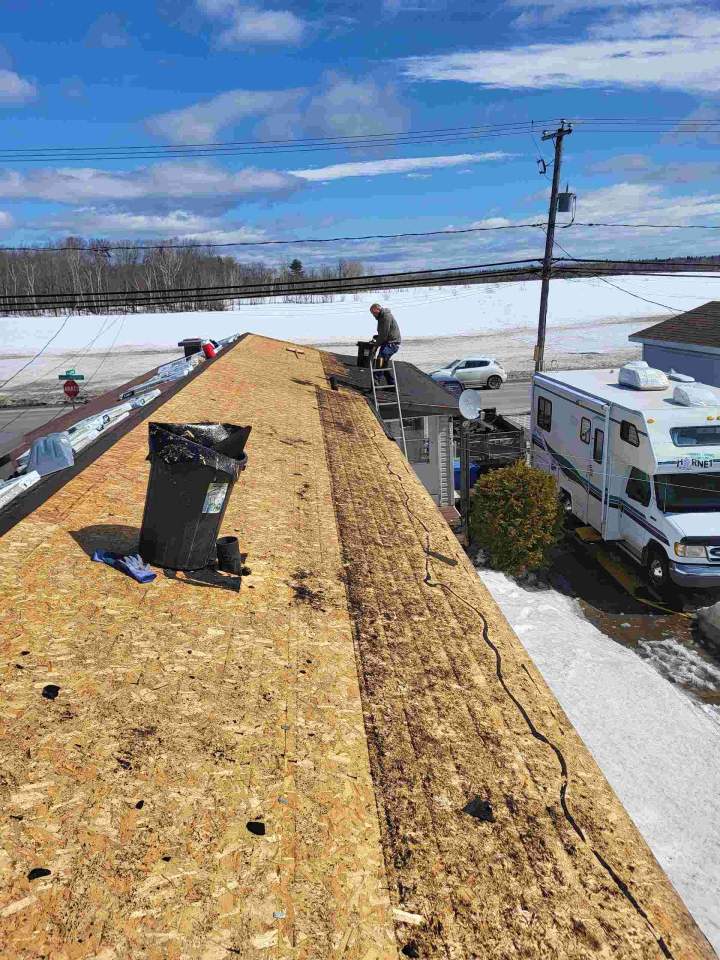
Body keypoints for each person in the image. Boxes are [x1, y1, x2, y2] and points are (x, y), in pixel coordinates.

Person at [369, 303, 401, 371]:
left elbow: (384, 334)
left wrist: (375, 346)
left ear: (378, 309)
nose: (373, 315)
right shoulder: (381, 317)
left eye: (373, 312)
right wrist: (377, 337)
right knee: (384, 366)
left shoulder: (386, 316)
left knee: (381, 358)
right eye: (372, 313)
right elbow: (384, 333)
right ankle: (391, 381)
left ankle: (375, 380)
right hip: (388, 342)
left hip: (392, 343)